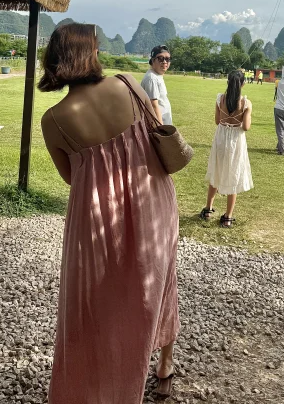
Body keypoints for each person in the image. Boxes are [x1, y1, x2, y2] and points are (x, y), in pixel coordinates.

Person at [40, 23, 180, 403]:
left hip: (98, 223)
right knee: (158, 286)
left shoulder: (54, 121)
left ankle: (98, 384)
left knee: (97, 304)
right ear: (92, 54)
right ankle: (164, 365)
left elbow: (73, 179)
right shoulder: (126, 84)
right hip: (154, 204)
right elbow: (158, 133)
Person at [200, 70, 253, 228]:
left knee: (216, 171)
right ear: (243, 84)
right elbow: (246, 127)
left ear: (228, 82)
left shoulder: (220, 99)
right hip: (236, 140)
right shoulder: (246, 103)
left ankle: (208, 209)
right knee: (233, 175)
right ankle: (228, 216)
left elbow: (217, 121)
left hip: (221, 138)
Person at [141, 45, 172, 124]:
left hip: (164, 123)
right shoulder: (152, 78)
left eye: (167, 59)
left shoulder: (157, 76)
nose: (164, 62)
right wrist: (160, 127)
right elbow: (153, 105)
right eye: (160, 58)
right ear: (153, 60)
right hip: (158, 124)